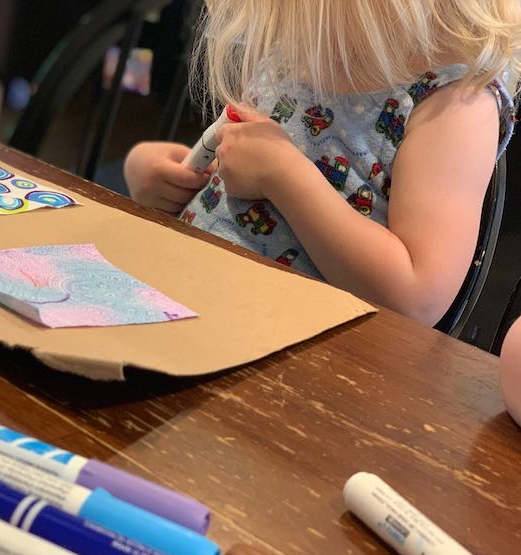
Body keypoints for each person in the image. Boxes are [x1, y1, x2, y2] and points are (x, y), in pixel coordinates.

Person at [124, 0, 521, 326]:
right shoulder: (303, 47)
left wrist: (282, 175)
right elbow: (246, 188)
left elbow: (417, 299)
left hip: (294, 364)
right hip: (182, 303)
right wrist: (169, 181)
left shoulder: (456, 103)